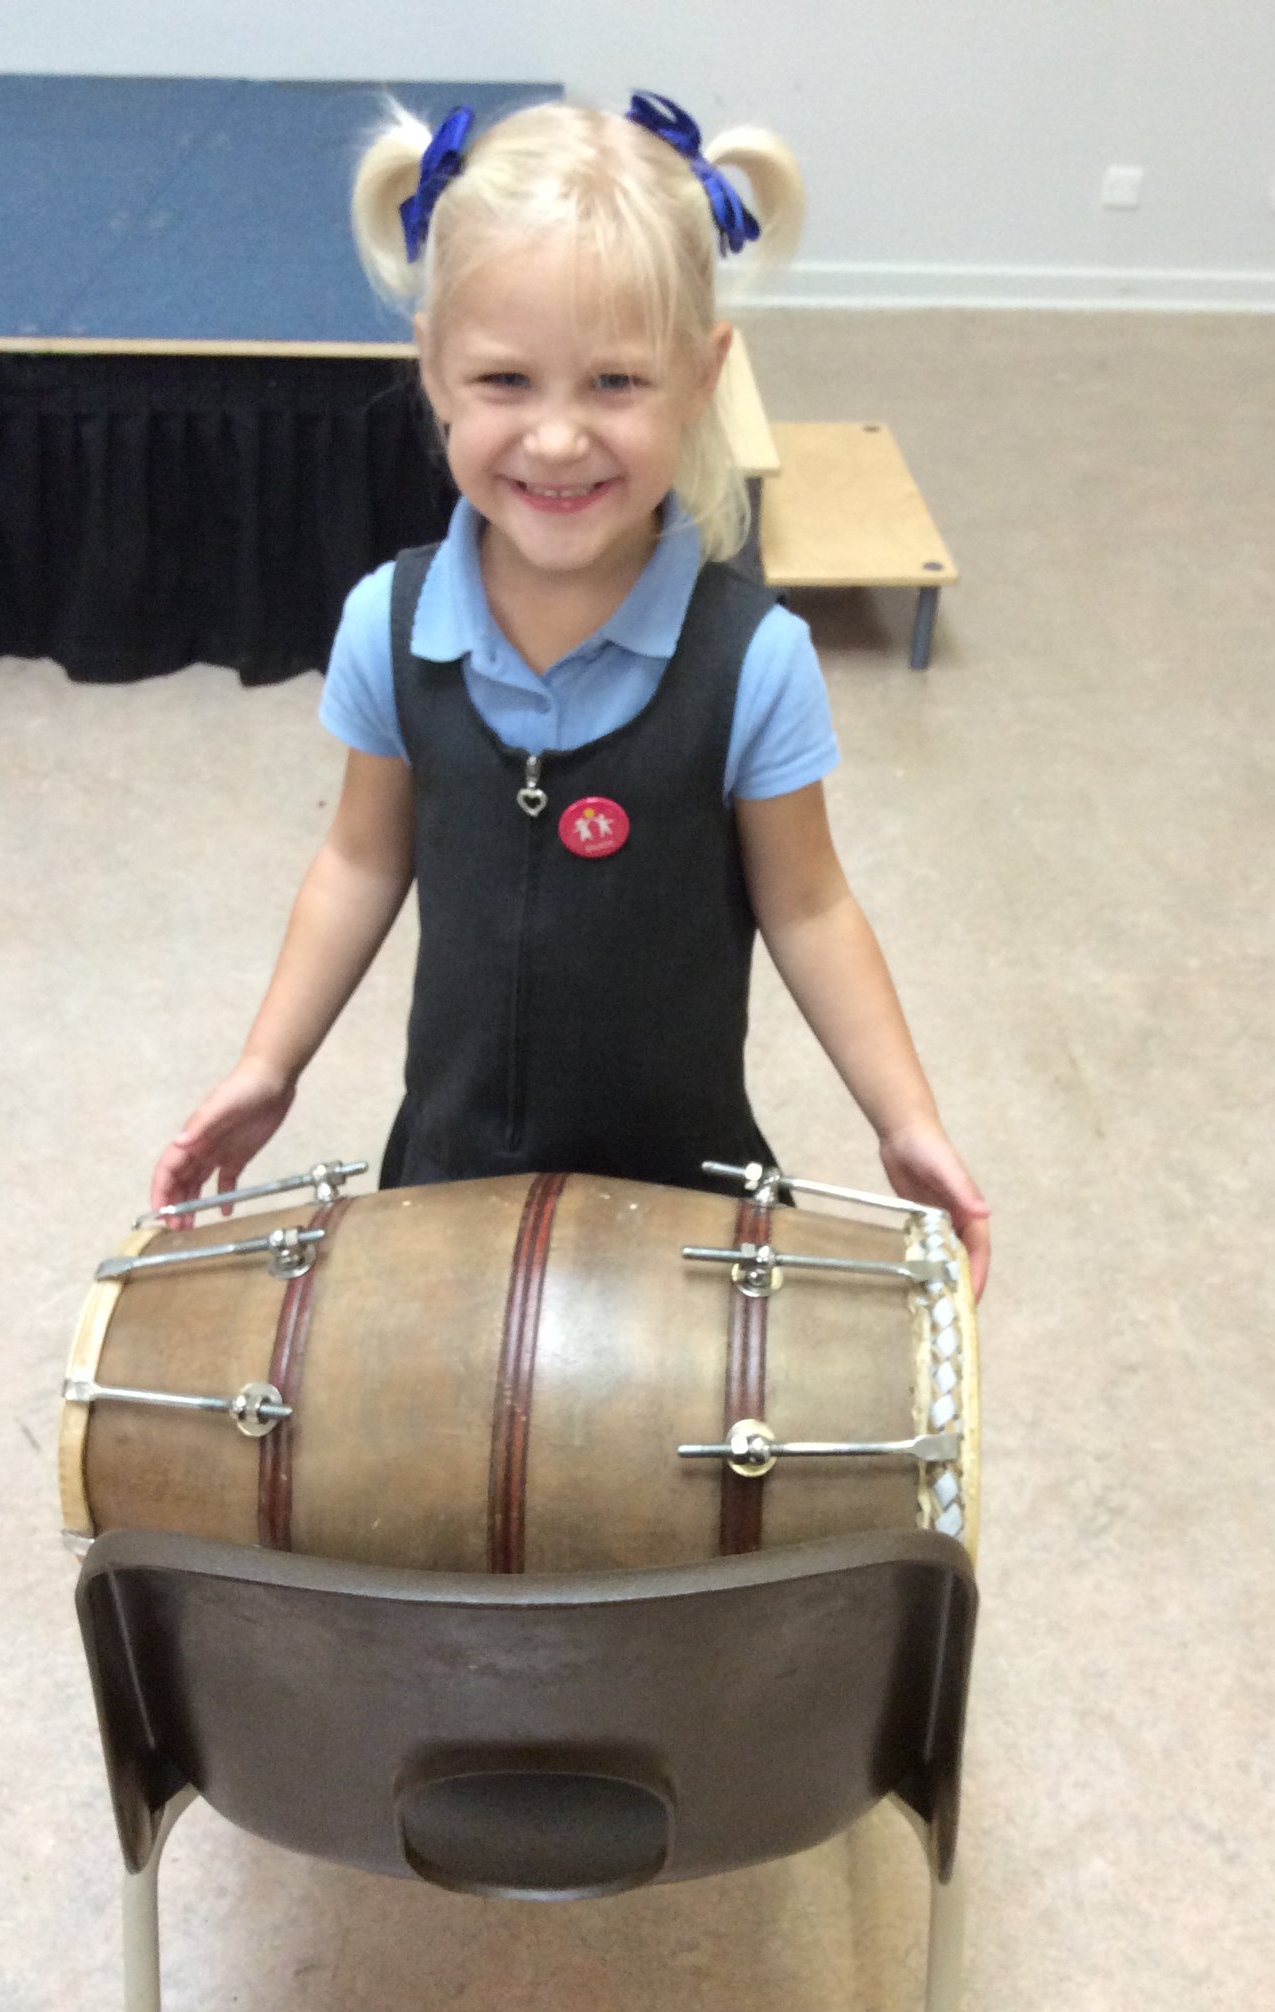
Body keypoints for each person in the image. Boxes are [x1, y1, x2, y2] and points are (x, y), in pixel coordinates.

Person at [151, 91, 991, 1294]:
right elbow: (359, 861)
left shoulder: (753, 659)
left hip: (685, 1202)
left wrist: (906, 1116)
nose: (555, 438)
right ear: (432, 364)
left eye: (613, 382)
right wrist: (268, 1062)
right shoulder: (386, 627)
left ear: (703, 378)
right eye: (504, 379)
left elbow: (809, 909)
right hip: (445, 1186)